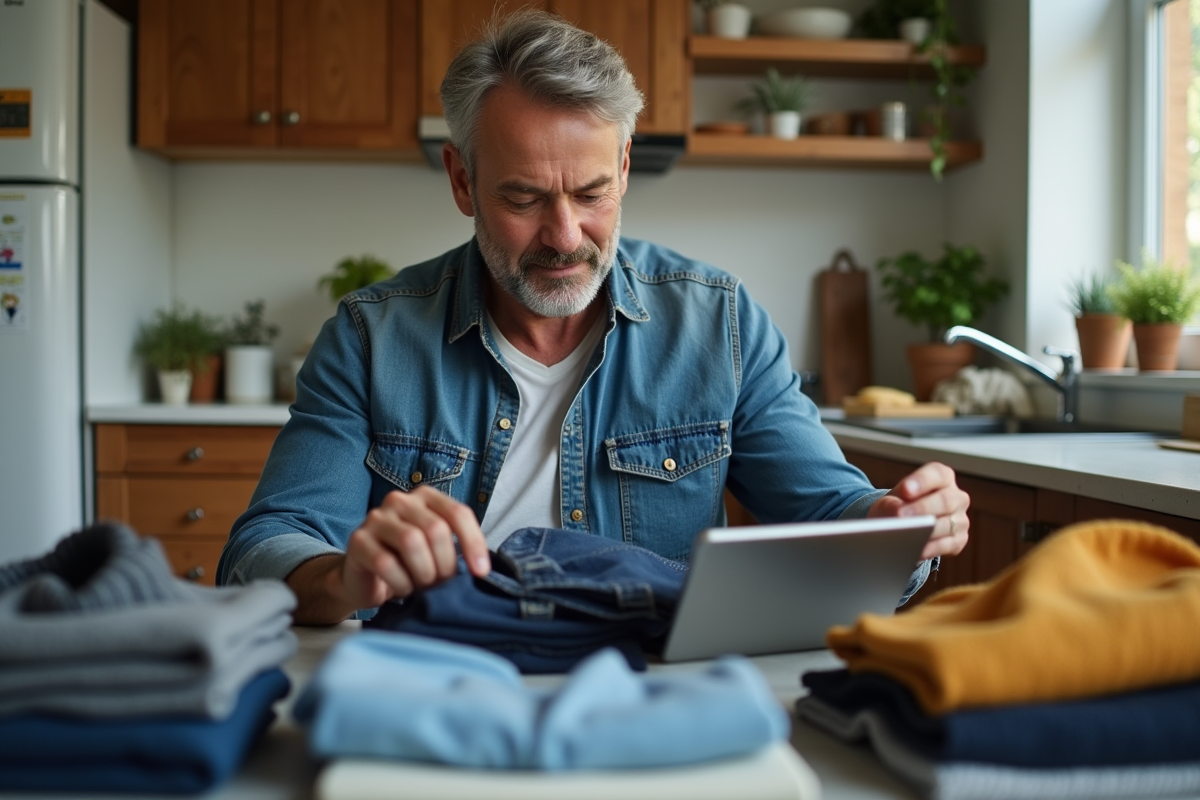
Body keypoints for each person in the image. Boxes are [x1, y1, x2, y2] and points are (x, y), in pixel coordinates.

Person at [216, 10, 970, 625]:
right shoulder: (370, 338)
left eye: (591, 193)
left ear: (626, 169)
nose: (565, 236)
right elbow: (266, 544)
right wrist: (343, 577)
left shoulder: (720, 326)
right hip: (438, 679)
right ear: (462, 181)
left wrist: (898, 526)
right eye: (523, 198)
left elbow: (833, 510)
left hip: (651, 686)